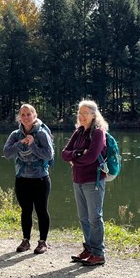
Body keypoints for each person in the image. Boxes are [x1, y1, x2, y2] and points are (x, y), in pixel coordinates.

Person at [61, 99, 108, 267]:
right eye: (80, 113)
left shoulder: (98, 132)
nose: (82, 117)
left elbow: (91, 157)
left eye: (85, 113)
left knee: (95, 217)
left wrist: (75, 159)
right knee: (83, 218)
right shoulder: (79, 131)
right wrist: (79, 153)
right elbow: (64, 154)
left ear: (94, 115)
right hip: (78, 180)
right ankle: (89, 249)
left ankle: (98, 253)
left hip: (93, 180)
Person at [3, 104, 53, 254]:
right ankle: (26, 241)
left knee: (41, 210)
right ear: (19, 117)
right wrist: (20, 144)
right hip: (22, 178)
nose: (25, 117)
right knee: (25, 211)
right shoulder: (15, 135)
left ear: (34, 116)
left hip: (40, 179)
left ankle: (43, 242)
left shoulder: (42, 134)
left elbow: (48, 155)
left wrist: (32, 144)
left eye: (28, 114)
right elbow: (6, 153)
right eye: (23, 115)